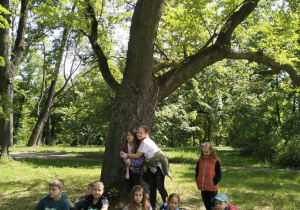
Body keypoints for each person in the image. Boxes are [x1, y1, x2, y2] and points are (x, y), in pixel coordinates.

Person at [121, 125, 171, 210]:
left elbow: (137, 156)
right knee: (152, 188)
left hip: (158, 166)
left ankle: (169, 206)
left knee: (160, 187)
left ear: (146, 133)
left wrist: (124, 154)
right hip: (151, 167)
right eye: (138, 133)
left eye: (141, 133)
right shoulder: (144, 141)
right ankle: (153, 207)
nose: (139, 135)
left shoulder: (145, 142)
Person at [195, 142, 222, 210]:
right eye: (203, 152)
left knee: (213, 205)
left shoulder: (215, 161)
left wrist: (213, 183)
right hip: (203, 187)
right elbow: (197, 171)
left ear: (211, 151)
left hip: (212, 189)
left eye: (207, 152)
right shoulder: (200, 160)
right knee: (206, 204)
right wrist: (197, 180)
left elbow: (219, 174)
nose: (205, 154)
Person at [121, 129, 145, 196]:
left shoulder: (139, 147)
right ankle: (129, 202)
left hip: (136, 171)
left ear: (134, 137)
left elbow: (140, 160)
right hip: (127, 170)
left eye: (131, 135)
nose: (128, 137)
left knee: (137, 187)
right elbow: (123, 157)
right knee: (128, 187)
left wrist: (130, 163)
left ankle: (138, 202)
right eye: (127, 135)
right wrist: (125, 160)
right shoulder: (125, 146)